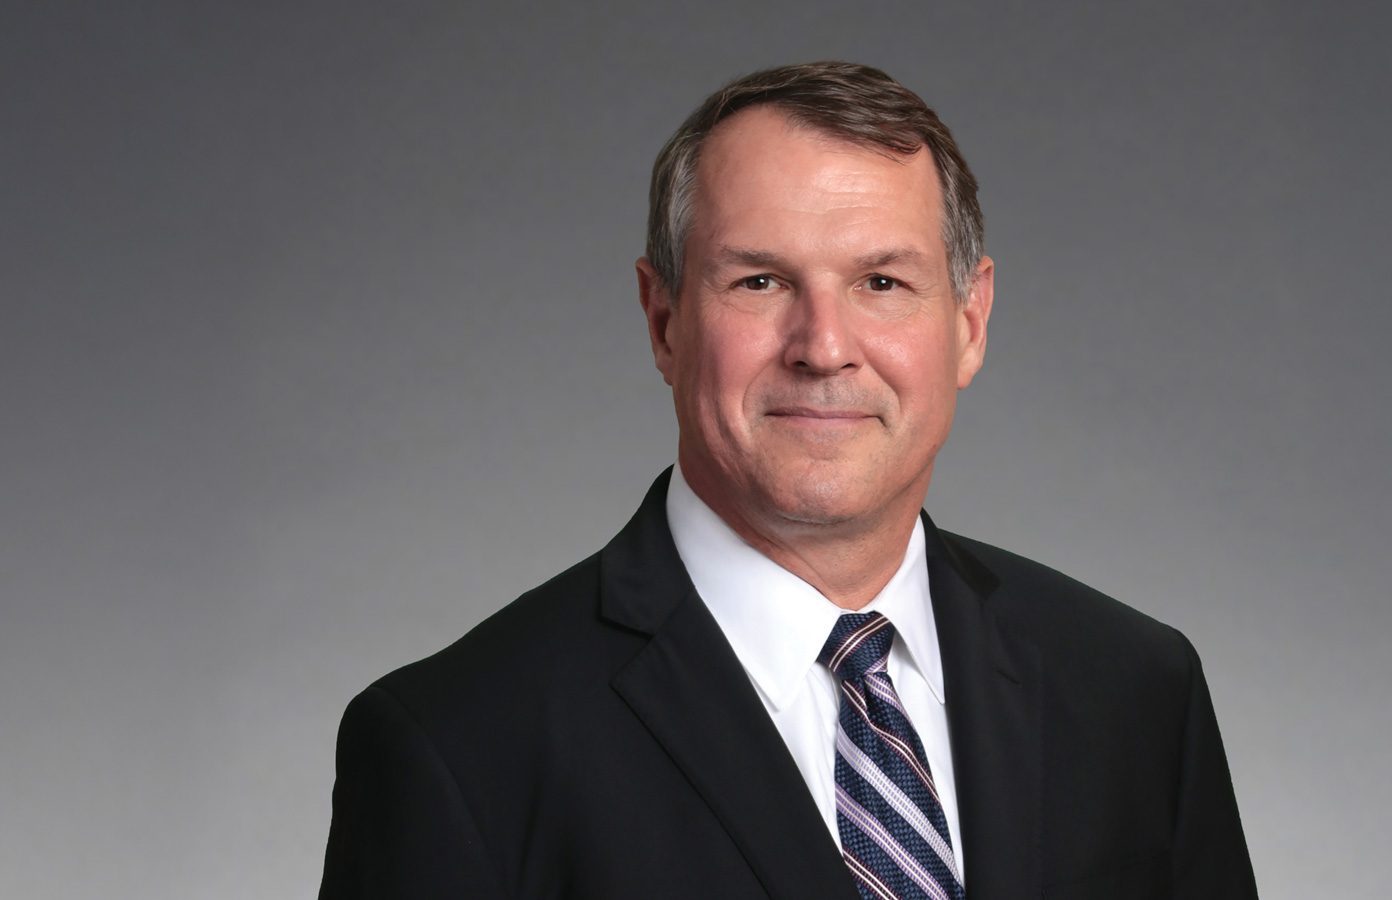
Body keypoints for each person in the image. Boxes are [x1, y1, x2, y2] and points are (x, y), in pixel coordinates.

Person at [318, 61, 1256, 899]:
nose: (825, 347)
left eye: (882, 282)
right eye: (760, 282)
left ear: (969, 324)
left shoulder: (1135, 692)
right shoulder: (456, 744)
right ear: (663, 321)